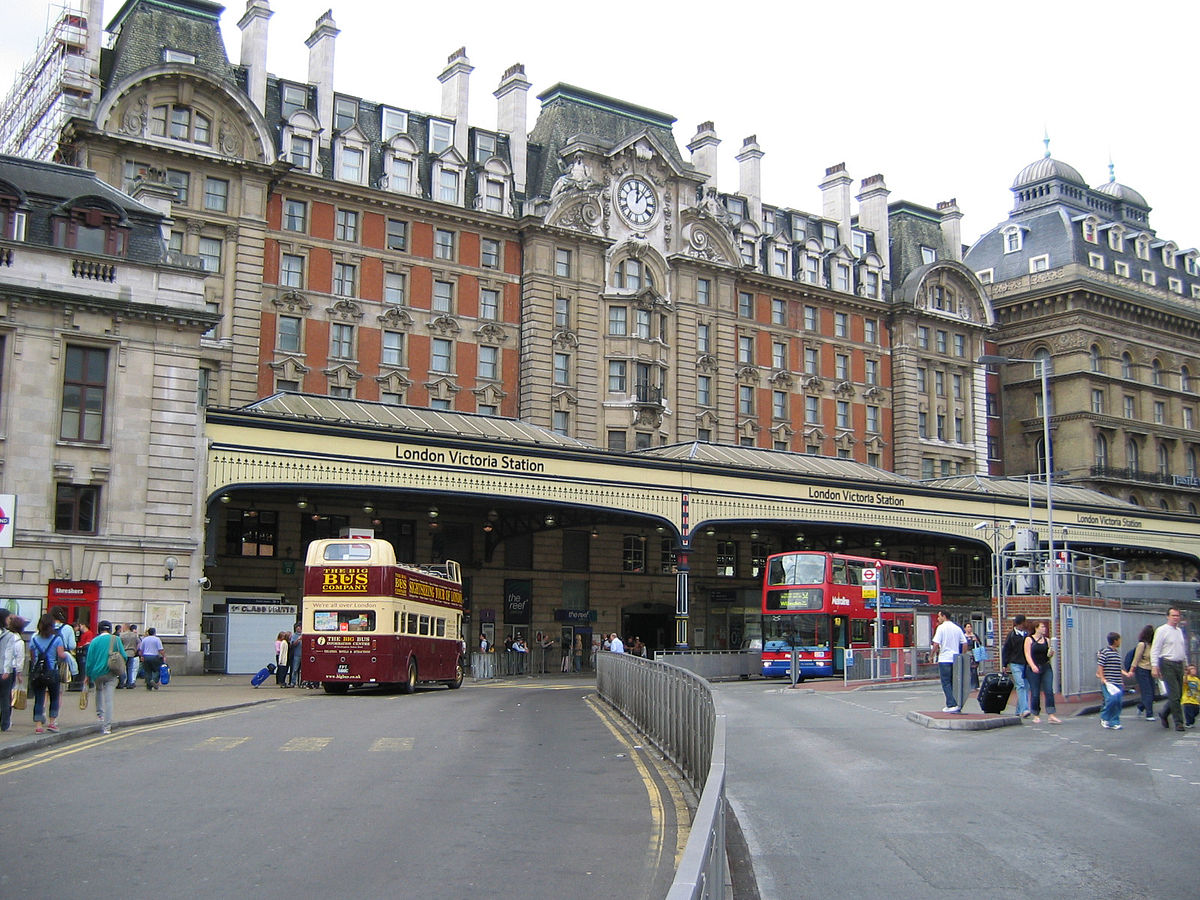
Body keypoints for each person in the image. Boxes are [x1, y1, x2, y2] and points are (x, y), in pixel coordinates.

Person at [83, 620, 126, 735]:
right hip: (111, 673)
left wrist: (87, 675)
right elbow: (124, 655)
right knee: (109, 699)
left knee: (98, 690)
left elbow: (89, 661)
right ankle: (107, 727)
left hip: (97, 673)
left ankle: (100, 715)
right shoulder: (116, 639)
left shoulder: (94, 641)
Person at [29, 612, 69, 733]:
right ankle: (52, 723)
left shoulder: (34, 638)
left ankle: (38, 725)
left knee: (39, 698)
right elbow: (61, 655)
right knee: (54, 697)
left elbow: (32, 656)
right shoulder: (57, 639)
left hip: (38, 672)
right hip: (52, 671)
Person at [1151, 607, 1189, 732]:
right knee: (1174, 694)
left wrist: (1186, 664)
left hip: (1179, 663)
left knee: (1179, 694)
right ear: (1168, 616)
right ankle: (1179, 722)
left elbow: (1182, 649)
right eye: (1173, 615)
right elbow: (1155, 649)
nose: (1176, 618)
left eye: (1177, 616)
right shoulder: (1162, 630)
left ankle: (1165, 712)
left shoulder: (1179, 631)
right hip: (1167, 663)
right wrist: (1154, 666)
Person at [1024, 620, 1061, 724]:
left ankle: (1051, 714)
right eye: (1042, 627)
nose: (1044, 629)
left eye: (1044, 627)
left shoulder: (1047, 640)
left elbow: (1048, 655)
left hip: (1045, 666)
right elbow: (1027, 654)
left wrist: (1051, 653)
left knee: (1049, 690)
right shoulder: (1029, 639)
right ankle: (1036, 714)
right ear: (1036, 628)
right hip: (1034, 667)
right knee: (1035, 692)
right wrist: (1032, 666)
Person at [931, 610, 966, 712]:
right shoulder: (957, 628)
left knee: (946, 682)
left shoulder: (941, 628)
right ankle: (956, 703)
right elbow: (964, 643)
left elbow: (936, 644)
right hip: (955, 658)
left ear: (944, 616)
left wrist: (932, 654)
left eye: (939, 616)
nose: (938, 619)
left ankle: (951, 704)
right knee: (954, 682)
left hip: (945, 658)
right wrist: (962, 655)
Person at [1096, 631, 1130, 730]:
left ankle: (1115, 721)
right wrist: (1102, 678)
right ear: (1115, 640)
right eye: (1119, 640)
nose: (1120, 642)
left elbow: (1117, 668)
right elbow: (1100, 666)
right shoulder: (1105, 652)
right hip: (1108, 682)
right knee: (1111, 700)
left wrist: (1123, 678)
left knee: (1118, 702)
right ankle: (1105, 717)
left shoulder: (1116, 653)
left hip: (1117, 681)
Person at [1001, 614, 1032, 718]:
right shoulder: (1012, 635)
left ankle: (1019, 710)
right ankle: (1025, 709)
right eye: (1024, 622)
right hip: (1015, 663)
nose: (1025, 624)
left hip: (1026, 664)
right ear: (1021, 623)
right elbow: (1006, 649)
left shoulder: (1027, 635)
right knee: (1020, 685)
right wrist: (1004, 664)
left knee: (1025, 687)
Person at [0, 612, 26, 732]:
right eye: (8, 618)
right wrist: (13, 672)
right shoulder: (12, 637)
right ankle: (5, 723)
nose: (9, 620)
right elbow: (11, 655)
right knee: (6, 697)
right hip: (7, 670)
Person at [50, 606, 78, 684]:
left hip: (48, 660)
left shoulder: (47, 627)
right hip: (62, 660)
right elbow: (72, 646)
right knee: (60, 686)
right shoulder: (68, 628)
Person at [963, 623, 983, 689]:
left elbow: (980, 644)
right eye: (968, 627)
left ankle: (975, 685)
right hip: (966, 654)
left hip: (974, 654)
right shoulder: (963, 636)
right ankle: (968, 684)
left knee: (974, 670)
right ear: (965, 628)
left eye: (970, 627)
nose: (969, 628)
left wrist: (976, 640)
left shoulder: (974, 635)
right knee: (967, 670)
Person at [120, 624, 139, 688]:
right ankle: (129, 683)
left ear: (125, 627)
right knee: (130, 669)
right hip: (131, 653)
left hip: (123, 652)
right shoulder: (134, 635)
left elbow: (119, 644)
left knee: (122, 669)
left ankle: (121, 683)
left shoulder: (122, 635)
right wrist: (136, 650)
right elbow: (139, 643)